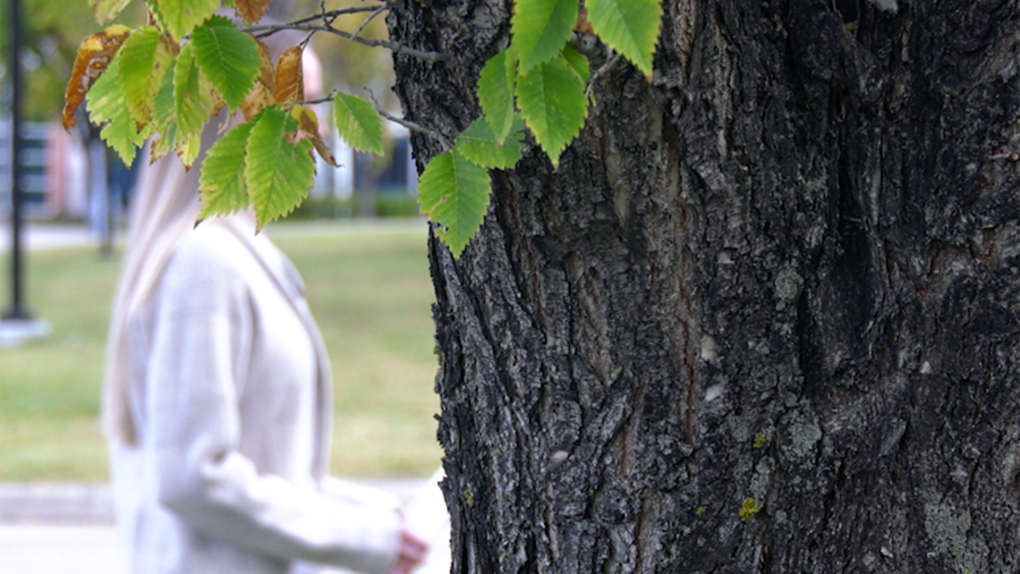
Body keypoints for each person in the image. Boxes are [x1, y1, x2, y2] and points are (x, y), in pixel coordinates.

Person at [100, 45, 428, 574]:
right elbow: (194, 475)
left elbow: (265, 467)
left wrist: (367, 514)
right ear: (241, 113)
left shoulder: (230, 253)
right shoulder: (205, 261)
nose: (319, 124)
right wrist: (359, 538)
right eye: (301, 100)